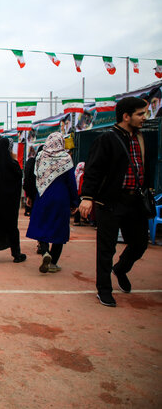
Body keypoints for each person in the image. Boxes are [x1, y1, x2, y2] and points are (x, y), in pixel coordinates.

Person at [78, 97, 151, 307]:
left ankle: (120, 269)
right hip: (110, 202)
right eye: (140, 114)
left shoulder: (140, 139)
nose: (143, 118)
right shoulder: (106, 139)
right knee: (106, 248)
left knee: (139, 243)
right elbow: (93, 169)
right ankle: (104, 289)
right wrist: (87, 197)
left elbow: (145, 166)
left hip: (135, 200)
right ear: (126, 116)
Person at [26, 133, 79, 273]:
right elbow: (71, 182)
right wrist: (75, 201)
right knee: (59, 228)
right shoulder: (66, 158)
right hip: (61, 197)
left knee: (41, 225)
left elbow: (33, 178)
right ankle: (53, 263)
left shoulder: (40, 157)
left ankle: (45, 252)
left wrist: (30, 196)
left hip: (43, 196)